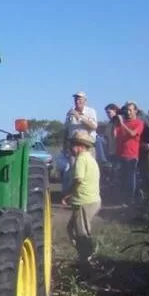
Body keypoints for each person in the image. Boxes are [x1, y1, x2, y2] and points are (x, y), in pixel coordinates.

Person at [61, 129, 101, 269]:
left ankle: (86, 260)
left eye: (71, 145)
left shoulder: (81, 159)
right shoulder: (90, 159)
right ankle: (85, 256)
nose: (70, 148)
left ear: (78, 146)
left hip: (85, 201)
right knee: (72, 229)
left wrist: (68, 194)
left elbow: (78, 179)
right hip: (91, 200)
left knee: (81, 232)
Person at [62, 91, 98, 193]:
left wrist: (79, 117)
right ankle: (74, 194)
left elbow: (94, 126)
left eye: (80, 99)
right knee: (74, 170)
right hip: (74, 146)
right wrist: (64, 146)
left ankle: (89, 193)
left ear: (85, 101)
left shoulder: (91, 111)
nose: (77, 101)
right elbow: (66, 130)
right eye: (76, 99)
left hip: (88, 146)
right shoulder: (70, 113)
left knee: (89, 170)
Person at [111, 102, 143, 204]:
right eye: (127, 110)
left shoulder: (139, 123)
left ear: (135, 111)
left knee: (131, 179)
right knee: (122, 178)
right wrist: (115, 124)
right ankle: (122, 199)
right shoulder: (122, 122)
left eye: (130, 110)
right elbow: (115, 136)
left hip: (131, 154)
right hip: (120, 153)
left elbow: (133, 133)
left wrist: (122, 124)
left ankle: (131, 200)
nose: (128, 112)